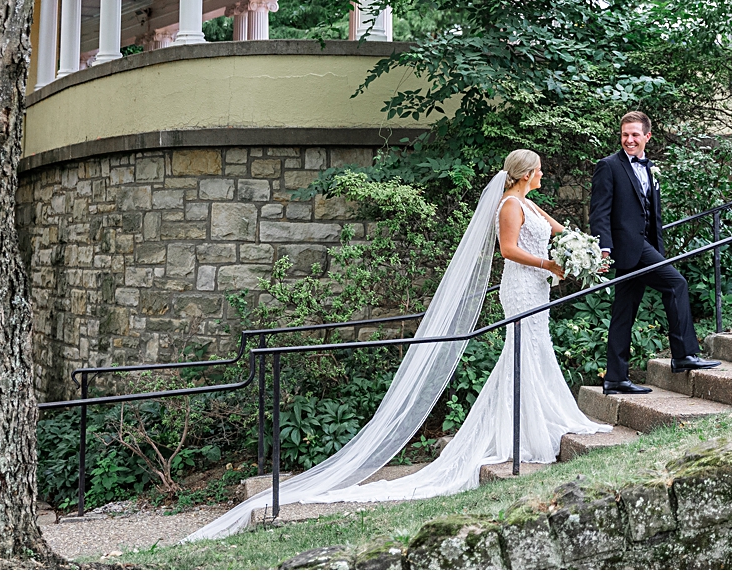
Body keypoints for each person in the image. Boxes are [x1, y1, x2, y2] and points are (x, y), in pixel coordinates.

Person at [184, 148, 612, 541]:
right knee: (523, 351)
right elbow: (509, 250)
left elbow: (561, 232)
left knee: (535, 351)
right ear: (525, 174)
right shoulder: (508, 205)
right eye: (539, 169)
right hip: (521, 287)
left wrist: (587, 252)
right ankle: (525, 430)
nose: (544, 173)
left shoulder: (531, 203)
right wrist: (550, 263)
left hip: (539, 289)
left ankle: (539, 420)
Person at [589, 111, 718, 395]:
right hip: (627, 248)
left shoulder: (649, 167)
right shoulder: (608, 166)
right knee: (676, 283)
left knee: (623, 313)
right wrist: (603, 247)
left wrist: (658, 248)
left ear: (647, 136)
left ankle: (615, 379)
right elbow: (600, 212)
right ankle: (683, 354)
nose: (629, 140)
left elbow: (651, 214)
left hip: (646, 247)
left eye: (635, 135)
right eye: (625, 134)